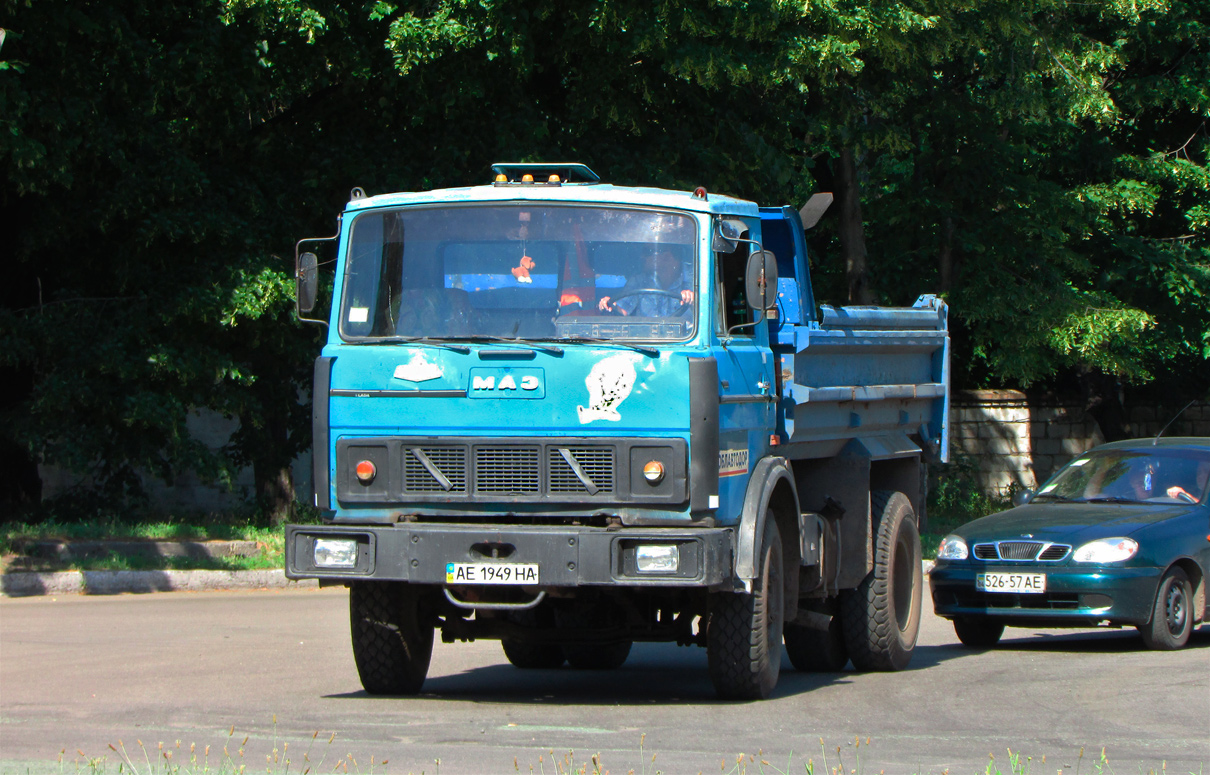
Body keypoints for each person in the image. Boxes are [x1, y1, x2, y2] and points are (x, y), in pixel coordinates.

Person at [597, 249, 694, 317]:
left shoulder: (698, 278)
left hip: (685, 343)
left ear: (666, 256)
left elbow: (705, 314)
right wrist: (610, 305)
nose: (642, 256)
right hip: (644, 341)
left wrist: (694, 300)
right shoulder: (638, 281)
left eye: (648, 252)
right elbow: (624, 311)